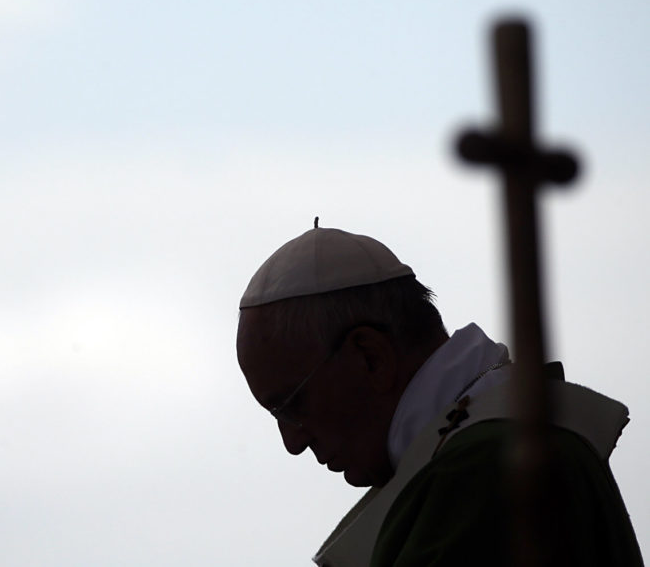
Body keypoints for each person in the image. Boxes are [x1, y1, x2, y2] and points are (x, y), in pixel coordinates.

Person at [235, 224, 643, 566]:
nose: (293, 442)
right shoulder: (477, 451)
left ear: (370, 357)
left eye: (291, 406)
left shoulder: (485, 468)